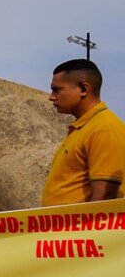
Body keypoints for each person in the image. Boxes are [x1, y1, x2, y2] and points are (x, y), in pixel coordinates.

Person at [42, 59, 125, 206]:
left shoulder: (104, 128)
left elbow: (104, 199)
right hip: (60, 228)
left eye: (57, 90)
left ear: (84, 90)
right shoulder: (84, 127)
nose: (51, 97)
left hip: (78, 228)